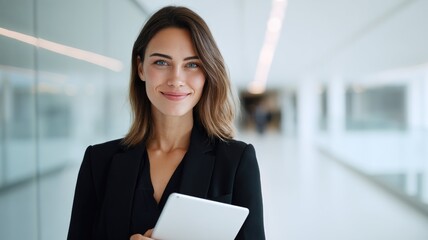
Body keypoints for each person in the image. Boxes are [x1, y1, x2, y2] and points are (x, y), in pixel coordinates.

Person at [67, 6, 265, 240]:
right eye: (161, 62)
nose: (176, 79)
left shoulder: (236, 161)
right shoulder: (98, 162)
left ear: (207, 73)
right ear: (140, 68)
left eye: (192, 64)